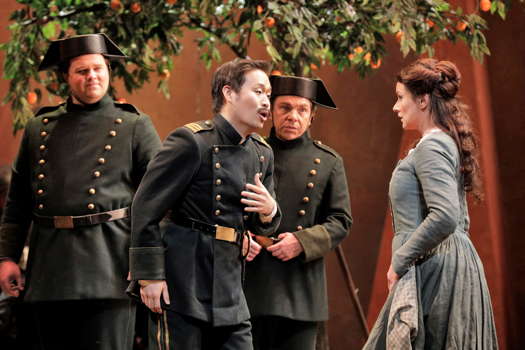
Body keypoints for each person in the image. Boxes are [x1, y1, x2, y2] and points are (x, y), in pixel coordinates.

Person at [0, 33, 161, 350]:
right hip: (50, 270)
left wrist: (149, 264)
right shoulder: (39, 127)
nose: (93, 77)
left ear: (109, 71)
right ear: (65, 77)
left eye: (99, 69)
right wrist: (7, 257)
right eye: (82, 71)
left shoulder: (134, 125)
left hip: (110, 268)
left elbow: (159, 201)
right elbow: (18, 202)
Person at [128, 58, 281, 349]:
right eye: (259, 92)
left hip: (229, 288)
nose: (266, 103)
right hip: (181, 283)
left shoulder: (261, 153)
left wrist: (269, 210)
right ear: (229, 93)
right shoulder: (191, 141)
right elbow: (145, 208)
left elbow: (265, 224)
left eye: (269, 95)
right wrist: (148, 276)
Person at [363, 58, 498, 349]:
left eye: (401, 98)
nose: (396, 106)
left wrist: (399, 261)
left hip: (435, 270)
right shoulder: (437, 143)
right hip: (441, 263)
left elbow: (447, 216)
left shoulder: (433, 145)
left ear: (423, 100)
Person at [244, 75, 353, 350]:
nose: (293, 116)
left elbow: (340, 221)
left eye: (302, 109)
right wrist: (239, 237)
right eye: (285, 108)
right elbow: (222, 208)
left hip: (300, 289)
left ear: (312, 116)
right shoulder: (246, 152)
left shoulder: (328, 162)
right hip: (248, 282)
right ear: (270, 109)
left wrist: (301, 242)